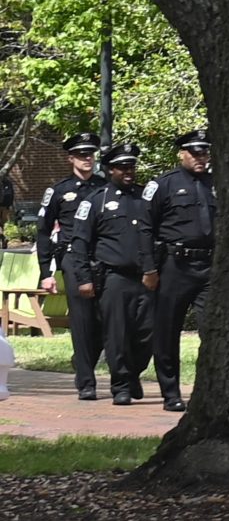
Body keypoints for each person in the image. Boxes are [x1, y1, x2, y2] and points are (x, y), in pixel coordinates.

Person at [73, 142, 152, 407]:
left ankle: (133, 374)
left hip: (146, 276)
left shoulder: (146, 198)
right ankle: (121, 386)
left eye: (131, 166)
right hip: (114, 277)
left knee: (147, 334)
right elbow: (80, 243)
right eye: (122, 167)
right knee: (116, 335)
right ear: (109, 170)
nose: (128, 171)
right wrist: (84, 278)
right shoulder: (96, 200)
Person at [142, 128, 215, 413]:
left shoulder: (216, 183)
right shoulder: (164, 185)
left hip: (210, 265)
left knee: (214, 329)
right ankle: (170, 392)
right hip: (175, 265)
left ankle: (207, 389)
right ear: (181, 154)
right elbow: (145, 229)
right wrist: (149, 268)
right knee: (167, 330)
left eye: (204, 152)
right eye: (194, 153)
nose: (200, 158)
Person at [35, 132, 106, 401]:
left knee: (104, 319)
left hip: (102, 258)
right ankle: (86, 382)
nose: (87, 158)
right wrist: (46, 273)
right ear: (71, 158)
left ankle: (82, 359)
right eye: (81, 155)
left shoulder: (104, 187)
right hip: (72, 258)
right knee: (81, 319)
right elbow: (43, 232)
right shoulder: (59, 191)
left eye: (90, 154)